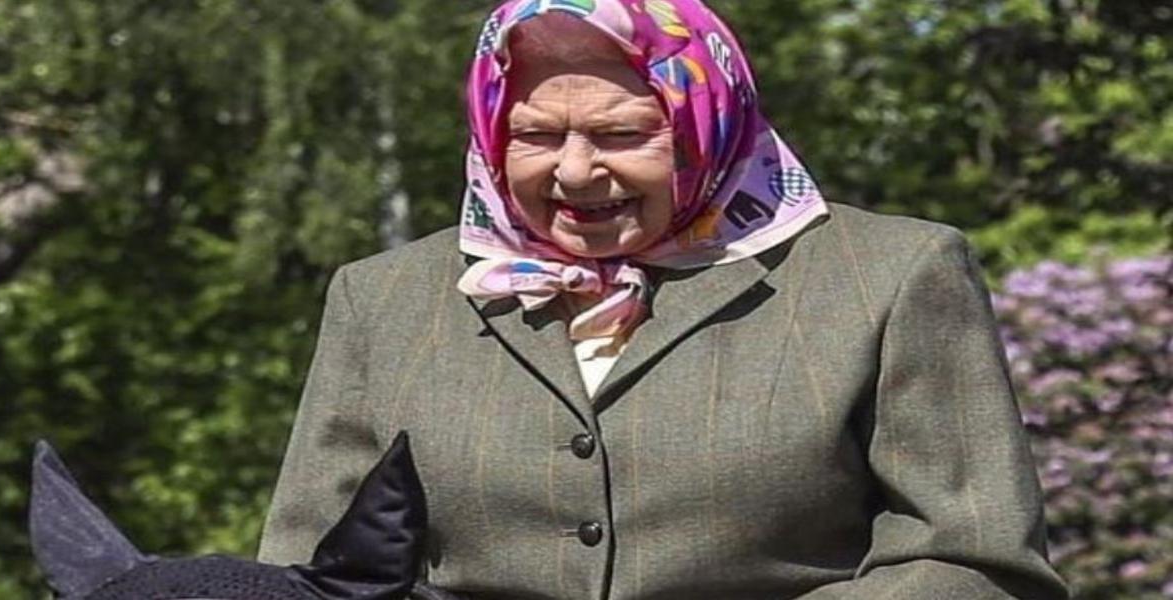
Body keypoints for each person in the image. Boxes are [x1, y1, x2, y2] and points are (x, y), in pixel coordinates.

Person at [258, 1, 1070, 598]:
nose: (575, 171)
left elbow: (974, 563)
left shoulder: (892, 274)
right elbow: (310, 573)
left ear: (708, 122)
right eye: (536, 136)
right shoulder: (383, 297)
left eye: (621, 134)